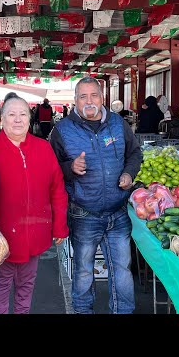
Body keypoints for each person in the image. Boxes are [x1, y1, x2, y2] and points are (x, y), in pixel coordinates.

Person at [50, 76, 142, 314]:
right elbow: (50, 170)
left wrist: (129, 174)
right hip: (83, 214)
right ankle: (82, 311)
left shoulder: (118, 124)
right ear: (75, 101)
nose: (89, 101)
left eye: (94, 96)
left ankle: (123, 311)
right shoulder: (61, 130)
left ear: (102, 98)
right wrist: (70, 168)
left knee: (122, 268)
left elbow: (134, 154)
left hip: (118, 212)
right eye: (83, 96)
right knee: (83, 270)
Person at [0, 92, 69, 314]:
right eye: (11, 114)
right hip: (0, 237)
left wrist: (59, 225)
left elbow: (57, 189)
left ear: (30, 119)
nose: (18, 119)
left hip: (34, 233)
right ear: (1, 119)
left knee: (26, 286)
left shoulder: (43, 147)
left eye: (23, 114)